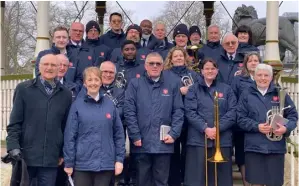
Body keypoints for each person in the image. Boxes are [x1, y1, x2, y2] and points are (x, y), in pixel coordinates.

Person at [6, 54, 72, 186]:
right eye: (46, 64)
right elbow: (14, 123)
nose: (49, 67)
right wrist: (13, 147)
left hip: (51, 158)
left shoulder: (65, 94)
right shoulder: (24, 89)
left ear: (59, 68)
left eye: (53, 65)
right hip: (26, 157)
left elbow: (65, 127)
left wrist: (62, 153)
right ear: (39, 66)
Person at [124, 52, 184, 186]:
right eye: (151, 63)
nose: (155, 66)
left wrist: (174, 134)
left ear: (163, 66)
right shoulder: (135, 84)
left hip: (164, 143)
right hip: (141, 143)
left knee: (161, 181)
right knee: (142, 181)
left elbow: (178, 111)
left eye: (158, 64)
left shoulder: (173, 84)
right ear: (145, 66)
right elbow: (129, 111)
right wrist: (135, 135)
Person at [237, 64, 298, 186]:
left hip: (275, 147)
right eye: (259, 75)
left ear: (271, 78)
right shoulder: (246, 94)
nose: (263, 78)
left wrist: (286, 128)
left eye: (266, 75)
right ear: (254, 76)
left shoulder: (280, 93)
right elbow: (240, 118)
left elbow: (293, 116)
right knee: (255, 183)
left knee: (274, 183)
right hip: (254, 146)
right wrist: (257, 126)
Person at [63, 67, 125, 186]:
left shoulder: (110, 105)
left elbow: (119, 135)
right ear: (85, 83)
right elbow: (70, 136)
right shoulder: (77, 106)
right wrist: (69, 162)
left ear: (101, 82)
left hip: (105, 164)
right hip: (82, 165)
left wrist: (119, 160)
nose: (93, 83)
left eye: (96, 79)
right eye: (90, 80)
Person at [184, 59, 237, 186]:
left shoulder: (227, 89)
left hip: (222, 139)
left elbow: (233, 112)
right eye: (207, 68)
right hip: (198, 139)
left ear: (217, 71)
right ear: (201, 71)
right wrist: (205, 128)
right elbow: (190, 112)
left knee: (222, 178)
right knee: (197, 178)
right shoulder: (193, 89)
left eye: (213, 68)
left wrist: (217, 129)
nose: (210, 71)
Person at [163, 47, 198, 186]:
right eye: (175, 56)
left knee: (188, 152)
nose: (178, 58)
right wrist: (179, 91)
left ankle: (187, 180)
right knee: (173, 152)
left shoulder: (193, 75)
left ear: (185, 58)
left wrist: (189, 92)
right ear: (170, 59)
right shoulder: (165, 74)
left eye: (181, 56)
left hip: (190, 119)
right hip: (172, 118)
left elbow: (199, 93)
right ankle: (174, 182)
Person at [230, 52, 261, 186]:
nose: (253, 63)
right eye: (250, 61)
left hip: (260, 125)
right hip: (242, 124)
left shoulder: (266, 78)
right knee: (243, 156)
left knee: (258, 156)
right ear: (245, 64)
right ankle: (246, 183)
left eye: (256, 60)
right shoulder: (238, 79)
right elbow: (233, 100)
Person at [74, 20, 111, 89]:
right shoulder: (80, 48)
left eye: (95, 30)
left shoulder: (106, 49)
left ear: (99, 33)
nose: (93, 33)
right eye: (90, 30)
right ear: (87, 33)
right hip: (82, 84)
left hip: (101, 85)